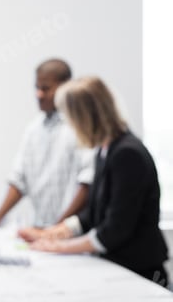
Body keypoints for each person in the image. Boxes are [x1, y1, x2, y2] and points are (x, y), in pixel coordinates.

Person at [24, 76, 169, 288]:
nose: (70, 127)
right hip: (118, 268)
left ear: (85, 117)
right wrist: (54, 232)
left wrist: (60, 246)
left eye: (70, 119)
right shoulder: (105, 150)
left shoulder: (127, 153)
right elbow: (93, 213)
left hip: (141, 273)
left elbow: (115, 229)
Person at [0, 59, 94, 231]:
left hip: (72, 233)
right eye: (37, 88)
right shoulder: (34, 129)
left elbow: (88, 182)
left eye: (45, 88)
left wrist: (59, 228)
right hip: (40, 231)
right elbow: (19, 180)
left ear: (66, 87)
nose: (39, 94)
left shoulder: (81, 127)